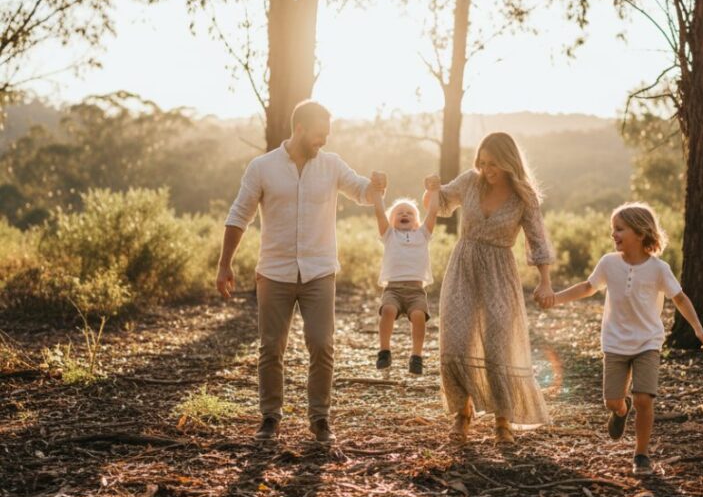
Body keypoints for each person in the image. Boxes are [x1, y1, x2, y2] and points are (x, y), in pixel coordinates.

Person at [216, 100, 385, 443]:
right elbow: (239, 215)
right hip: (274, 272)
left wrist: (376, 186)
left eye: (327, 135)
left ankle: (320, 418)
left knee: (322, 344)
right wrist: (225, 264)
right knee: (271, 347)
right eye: (319, 134)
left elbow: (360, 191)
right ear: (300, 129)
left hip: (319, 271)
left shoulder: (332, 165)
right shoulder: (262, 167)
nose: (324, 141)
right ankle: (269, 417)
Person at [545, 202, 703, 475]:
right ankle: (620, 412)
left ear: (640, 231)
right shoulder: (609, 263)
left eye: (619, 229)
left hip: (648, 342)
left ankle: (641, 454)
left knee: (644, 398)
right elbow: (588, 287)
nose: (614, 234)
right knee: (612, 400)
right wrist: (556, 298)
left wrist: (697, 328)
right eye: (613, 229)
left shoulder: (659, 268)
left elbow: (680, 298)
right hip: (614, 343)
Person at [427, 132, 555, 446]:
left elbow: (537, 240)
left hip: (499, 272)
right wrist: (431, 189)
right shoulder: (470, 181)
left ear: (508, 162)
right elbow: (441, 203)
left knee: (498, 345)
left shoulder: (524, 197)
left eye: (493, 163)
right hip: (464, 267)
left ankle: (502, 420)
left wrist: (545, 280)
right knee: (457, 341)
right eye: (482, 163)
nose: (487, 169)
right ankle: (463, 411)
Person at [370, 175, 440, 375]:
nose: (405, 214)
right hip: (393, 288)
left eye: (409, 212)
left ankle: (416, 356)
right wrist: (377, 192)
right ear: (392, 220)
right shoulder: (389, 235)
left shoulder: (422, 234)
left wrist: (434, 190)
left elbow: (433, 211)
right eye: (400, 212)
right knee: (388, 311)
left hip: (416, 290)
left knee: (418, 316)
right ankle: (384, 351)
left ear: (417, 221)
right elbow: (378, 212)